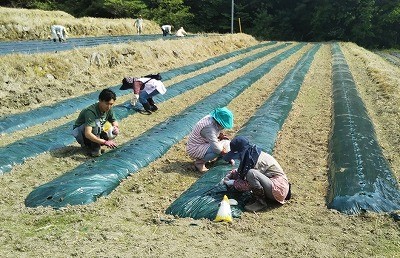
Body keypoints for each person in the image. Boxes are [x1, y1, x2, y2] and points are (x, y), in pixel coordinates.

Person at [222, 136, 291, 212]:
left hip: (278, 189)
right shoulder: (250, 155)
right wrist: (231, 175)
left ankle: (260, 202)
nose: (237, 158)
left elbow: (248, 184)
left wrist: (233, 183)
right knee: (249, 173)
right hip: (270, 184)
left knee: (251, 173)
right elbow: (241, 171)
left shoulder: (257, 161)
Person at [72, 88, 119, 157]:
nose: (109, 107)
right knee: (96, 124)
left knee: (112, 131)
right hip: (80, 133)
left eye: (111, 104)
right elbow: (88, 133)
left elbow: (114, 120)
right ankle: (95, 150)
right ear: (100, 101)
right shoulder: (91, 112)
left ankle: (95, 144)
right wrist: (105, 142)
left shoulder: (109, 109)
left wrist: (116, 127)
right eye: (106, 103)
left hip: (96, 130)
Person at [186, 107, 234, 172]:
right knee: (217, 149)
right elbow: (216, 148)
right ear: (219, 122)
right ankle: (199, 163)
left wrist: (220, 135)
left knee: (227, 142)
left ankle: (219, 157)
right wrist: (227, 156)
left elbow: (213, 133)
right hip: (195, 148)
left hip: (204, 143)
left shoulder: (212, 119)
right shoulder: (208, 127)